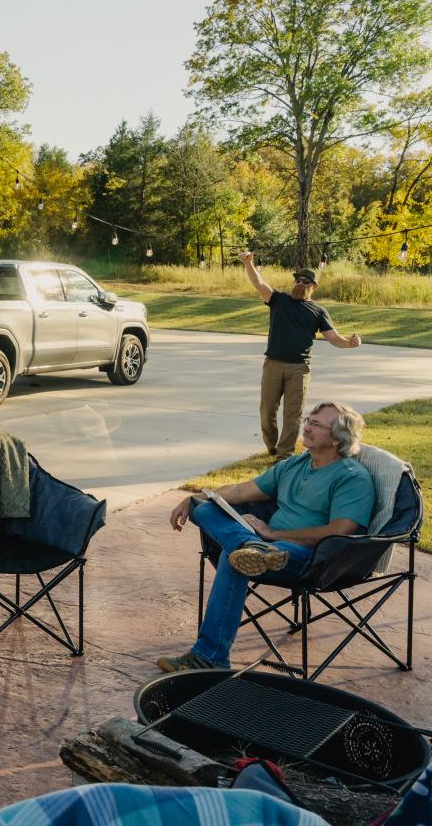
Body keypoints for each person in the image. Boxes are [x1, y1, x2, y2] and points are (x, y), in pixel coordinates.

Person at [158, 401, 375, 672]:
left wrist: (273, 533)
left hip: (310, 556)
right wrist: (198, 497)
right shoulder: (295, 465)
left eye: (317, 425)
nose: (306, 426)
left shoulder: (352, 479)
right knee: (203, 510)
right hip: (264, 544)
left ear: (337, 439)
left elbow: (338, 532)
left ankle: (209, 656)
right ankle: (249, 546)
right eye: (308, 420)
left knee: (235, 557)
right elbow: (240, 491)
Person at [241, 251, 361, 460]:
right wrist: (248, 263)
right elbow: (259, 283)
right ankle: (271, 446)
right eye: (299, 280)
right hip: (273, 365)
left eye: (307, 282)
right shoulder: (278, 300)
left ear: (314, 287)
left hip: (299, 368)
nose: (301, 283)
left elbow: (334, 338)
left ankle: (283, 456)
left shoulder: (318, 312)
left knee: (293, 415)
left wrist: (349, 344)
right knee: (267, 411)